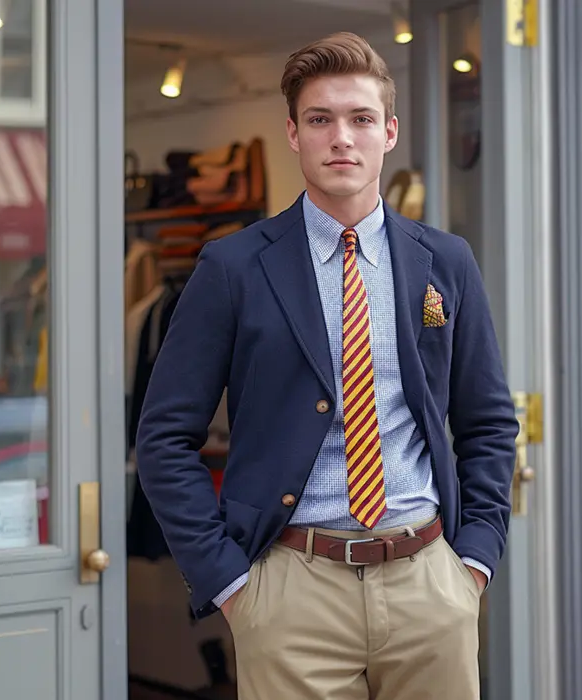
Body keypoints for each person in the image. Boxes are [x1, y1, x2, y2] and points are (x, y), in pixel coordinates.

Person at [135, 31, 519, 700]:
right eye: (320, 119)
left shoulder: (446, 262)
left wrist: (476, 560)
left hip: (429, 582)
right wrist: (230, 584)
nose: (341, 137)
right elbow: (164, 439)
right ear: (293, 133)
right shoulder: (233, 269)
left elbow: (487, 422)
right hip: (290, 590)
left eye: (360, 119)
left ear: (389, 132)